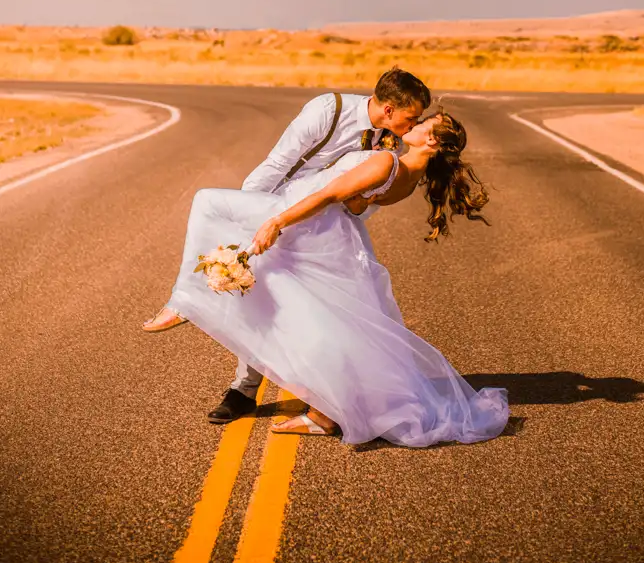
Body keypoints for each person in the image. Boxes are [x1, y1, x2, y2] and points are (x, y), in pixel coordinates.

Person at [144, 112, 508, 447]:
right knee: (324, 319)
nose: (418, 121)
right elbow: (357, 205)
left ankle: (185, 301)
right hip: (337, 237)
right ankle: (325, 412)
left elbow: (330, 194)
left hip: (311, 225)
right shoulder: (409, 180)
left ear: (432, 143)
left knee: (207, 201)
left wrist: (277, 221)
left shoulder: (387, 161)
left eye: (427, 123)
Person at [143, 67, 432, 424]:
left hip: (318, 225)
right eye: (411, 116)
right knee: (258, 293)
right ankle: (242, 389)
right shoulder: (329, 111)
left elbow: (361, 202)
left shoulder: (387, 142)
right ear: (388, 109)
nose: (413, 123)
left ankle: (330, 395)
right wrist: (248, 219)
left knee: (305, 306)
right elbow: (277, 162)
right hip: (275, 205)